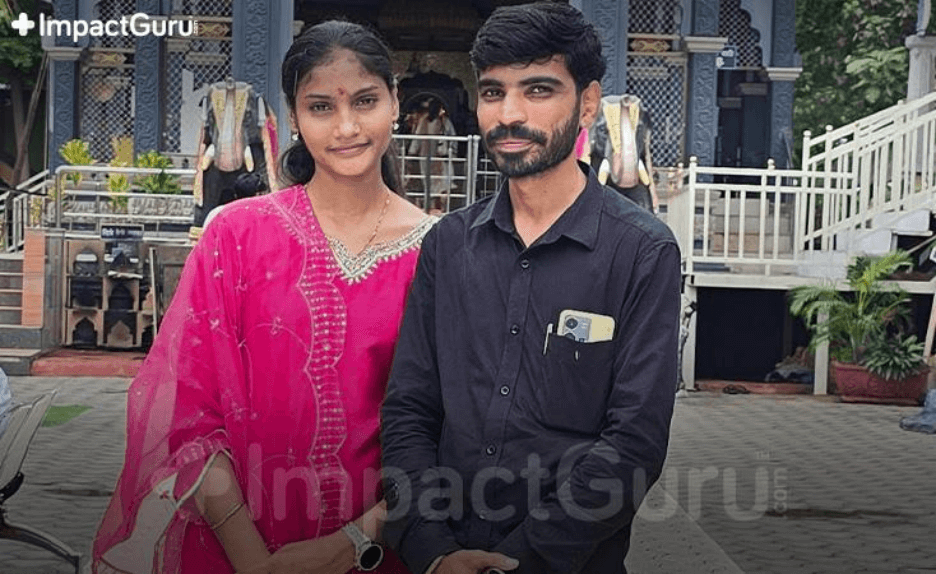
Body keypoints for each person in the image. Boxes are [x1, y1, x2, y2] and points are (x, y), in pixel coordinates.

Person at [92, 20, 432, 574]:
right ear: (293, 117)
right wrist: (254, 562)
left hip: (383, 548)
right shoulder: (236, 235)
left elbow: (451, 429)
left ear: (394, 101)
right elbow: (190, 412)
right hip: (234, 546)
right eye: (320, 107)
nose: (346, 126)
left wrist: (350, 541)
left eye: (365, 101)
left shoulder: (438, 252)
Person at [380, 3, 681, 574]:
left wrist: (519, 561)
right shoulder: (448, 245)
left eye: (538, 90)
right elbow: (410, 410)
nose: (509, 114)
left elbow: (634, 444)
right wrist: (431, 548)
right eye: (493, 92)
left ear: (587, 103)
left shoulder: (641, 252)